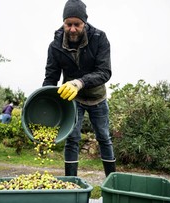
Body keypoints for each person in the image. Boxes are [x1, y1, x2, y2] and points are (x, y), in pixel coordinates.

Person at [42, 0, 116, 177]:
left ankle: (112, 180)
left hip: (97, 97)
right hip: (72, 99)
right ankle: (71, 184)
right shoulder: (55, 46)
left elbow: (104, 72)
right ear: (63, 23)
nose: (72, 29)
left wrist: (79, 82)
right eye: (68, 24)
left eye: (77, 24)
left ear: (85, 22)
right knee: (72, 139)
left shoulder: (100, 39)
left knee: (104, 138)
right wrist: (45, 103)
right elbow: (51, 77)